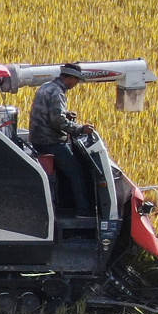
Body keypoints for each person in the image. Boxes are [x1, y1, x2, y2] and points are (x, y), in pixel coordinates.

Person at [29, 62, 93, 218]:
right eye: (76, 80)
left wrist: (66, 115)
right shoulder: (57, 92)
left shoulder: (46, 87)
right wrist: (79, 129)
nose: (76, 84)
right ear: (69, 78)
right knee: (76, 173)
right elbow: (57, 121)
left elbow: (50, 113)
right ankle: (84, 212)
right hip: (51, 141)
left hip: (38, 139)